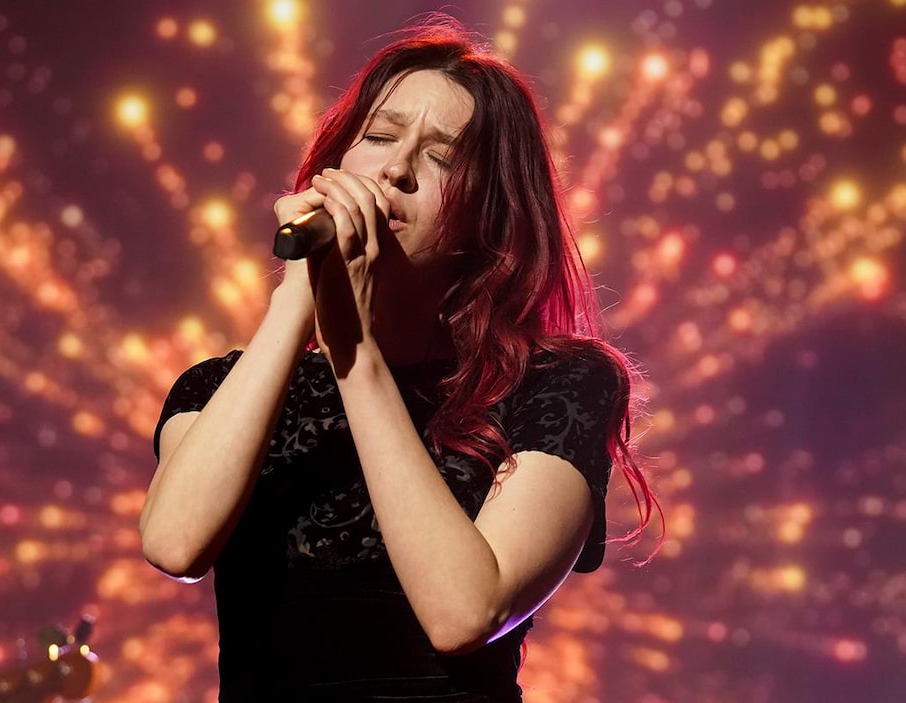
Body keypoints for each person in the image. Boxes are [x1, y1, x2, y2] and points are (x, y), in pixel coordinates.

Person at [138, 16, 659, 702]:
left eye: (441, 157)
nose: (395, 169)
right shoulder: (218, 388)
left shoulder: (560, 385)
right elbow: (175, 545)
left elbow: (465, 612)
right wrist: (300, 298)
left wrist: (355, 350)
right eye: (380, 137)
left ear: (488, 217)